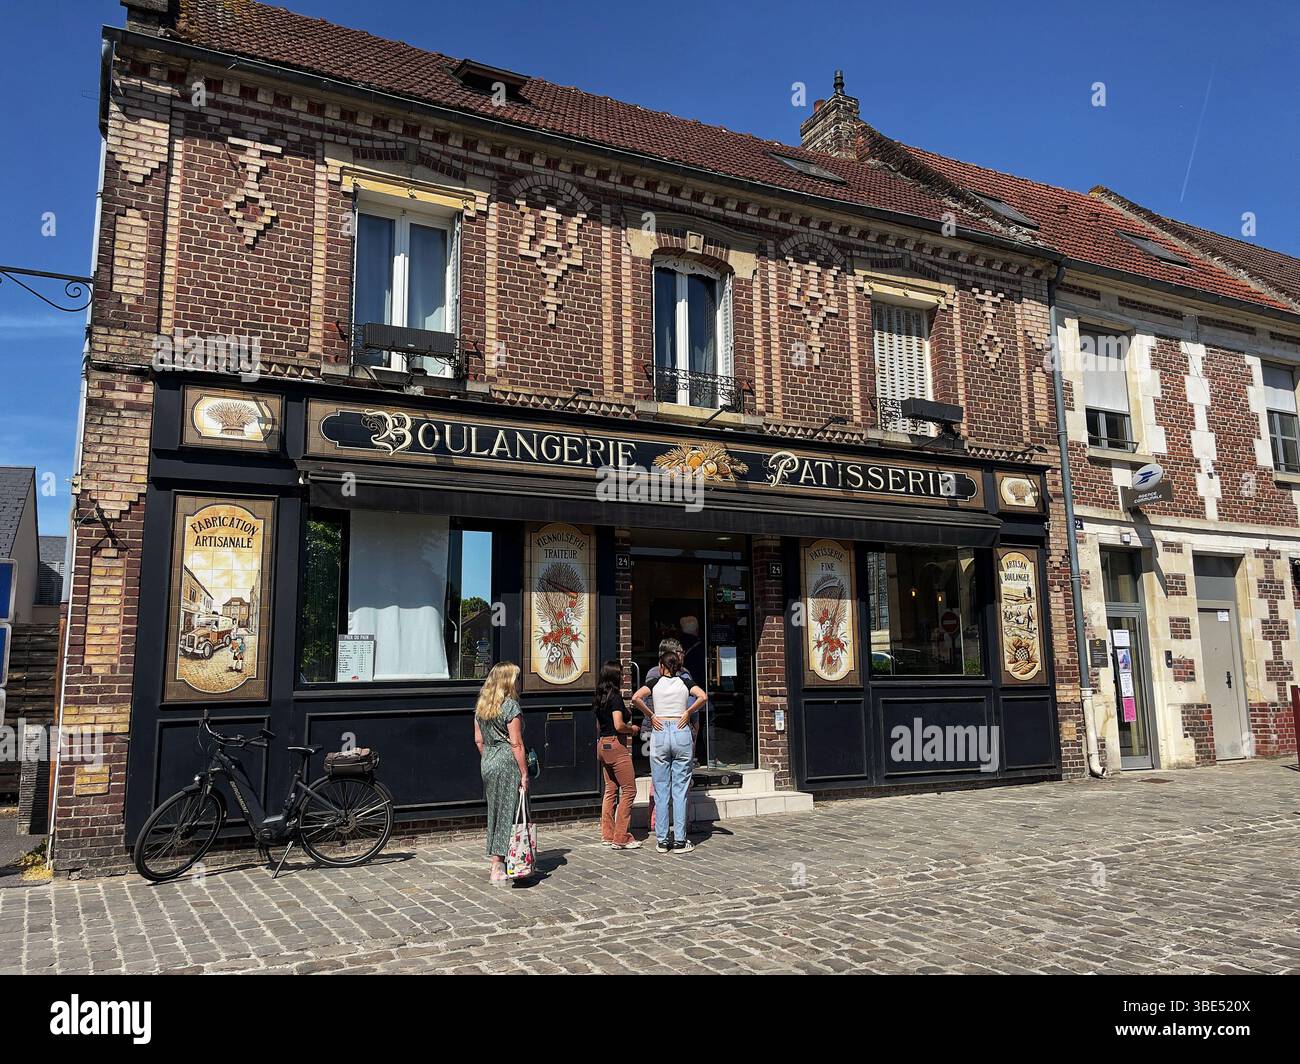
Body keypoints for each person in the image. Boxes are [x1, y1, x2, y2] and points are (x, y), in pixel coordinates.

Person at [632, 650, 707, 854]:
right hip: (680, 728)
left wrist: (650, 714)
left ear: (661, 665)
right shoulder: (685, 682)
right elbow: (703, 696)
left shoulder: (655, 682)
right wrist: (688, 712)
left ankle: (663, 840)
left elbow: (636, 697)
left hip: (660, 730)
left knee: (661, 789)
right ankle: (681, 840)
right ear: (678, 665)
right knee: (680, 790)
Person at [473, 662, 529, 884]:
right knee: (508, 812)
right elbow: (516, 744)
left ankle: (497, 860)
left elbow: (478, 739)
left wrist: (489, 758)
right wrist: (524, 773)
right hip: (507, 761)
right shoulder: (510, 706)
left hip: (488, 761)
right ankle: (498, 865)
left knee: (495, 812)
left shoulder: (482, 706)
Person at [593, 659, 641, 850]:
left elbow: (598, 725)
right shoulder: (615, 698)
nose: (623, 677)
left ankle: (607, 833)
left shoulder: (599, 696)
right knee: (629, 790)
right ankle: (621, 836)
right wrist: (633, 729)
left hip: (602, 744)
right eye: (621, 673)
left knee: (610, 790)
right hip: (615, 745)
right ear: (615, 676)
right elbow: (618, 724)